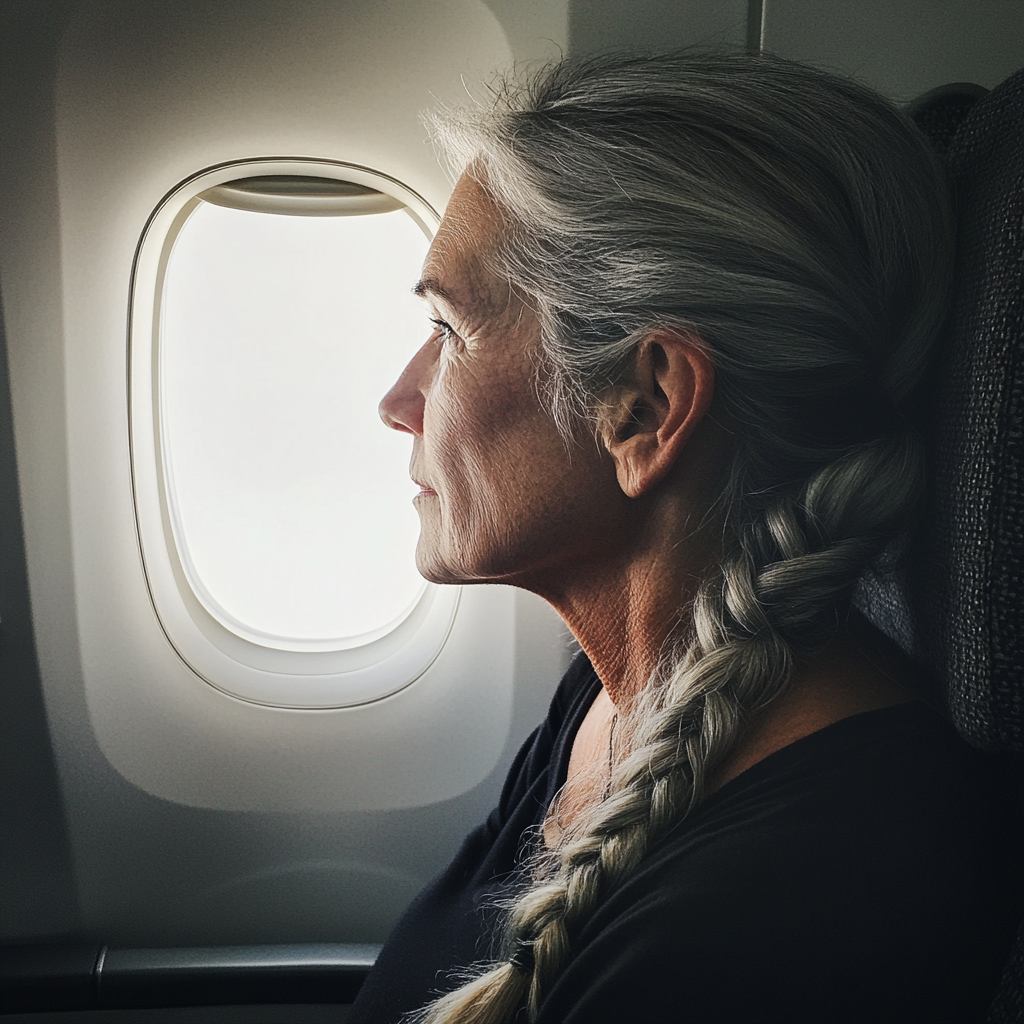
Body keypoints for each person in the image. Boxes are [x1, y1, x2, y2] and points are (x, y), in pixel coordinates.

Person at [349, 50, 1020, 1024]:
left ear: (649, 407)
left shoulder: (811, 899)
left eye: (450, 331)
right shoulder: (612, 699)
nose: (398, 401)